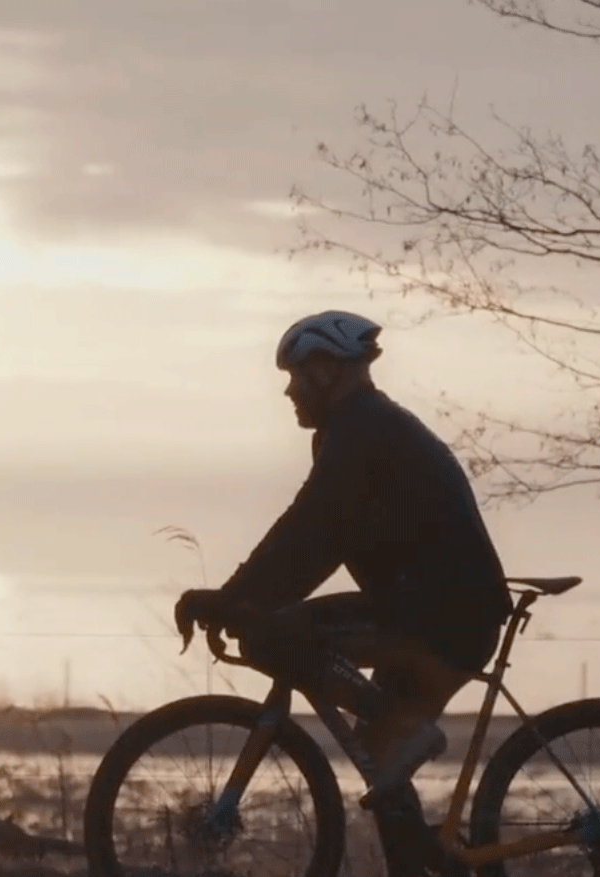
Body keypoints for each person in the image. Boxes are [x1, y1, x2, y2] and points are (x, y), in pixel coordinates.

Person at [173, 310, 512, 877]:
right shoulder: (363, 427)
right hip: (437, 611)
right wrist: (240, 597)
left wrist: (238, 603)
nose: (287, 389)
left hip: (438, 615)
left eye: (295, 374)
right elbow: (318, 542)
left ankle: (404, 734)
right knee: (377, 751)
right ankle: (427, 861)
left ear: (327, 370)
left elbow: (310, 529)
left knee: (274, 637)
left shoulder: (362, 430)